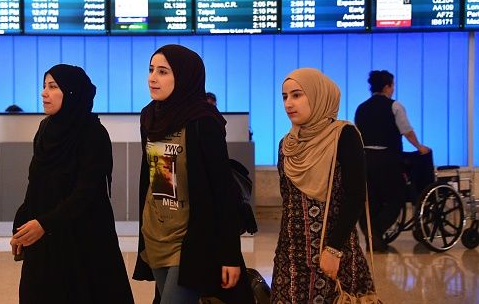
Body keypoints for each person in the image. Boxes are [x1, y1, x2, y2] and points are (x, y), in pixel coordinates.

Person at [133, 44, 254, 304]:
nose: (153, 78)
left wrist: (230, 255)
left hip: (191, 242)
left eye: (163, 71)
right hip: (156, 236)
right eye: (151, 70)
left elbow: (222, 192)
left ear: (185, 76)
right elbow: (153, 179)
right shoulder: (150, 117)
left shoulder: (203, 121)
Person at [10, 64, 134, 304]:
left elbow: (86, 193)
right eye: (44, 86)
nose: (44, 93)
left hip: (83, 240)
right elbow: (35, 183)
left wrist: (45, 224)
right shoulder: (46, 129)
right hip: (44, 238)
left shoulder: (93, 133)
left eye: (53, 87)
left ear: (72, 93)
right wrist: (21, 227)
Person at [271, 68, 374, 303]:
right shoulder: (287, 145)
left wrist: (333, 249)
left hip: (334, 255)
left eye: (297, 95)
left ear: (318, 95)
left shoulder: (343, 135)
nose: (289, 104)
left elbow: (355, 196)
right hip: (291, 257)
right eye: (285, 97)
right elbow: (289, 203)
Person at [355, 70, 430, 250]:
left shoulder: (361, 108)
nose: (393, 89)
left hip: (364, 159)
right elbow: (406, 131)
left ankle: (371, 233)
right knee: (396, 197)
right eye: (392, 85)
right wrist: (419, 147)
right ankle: (376, 230)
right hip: (387, 159)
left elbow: (357, 133)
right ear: (387, 86)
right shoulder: (394, 106)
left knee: (369, 200)